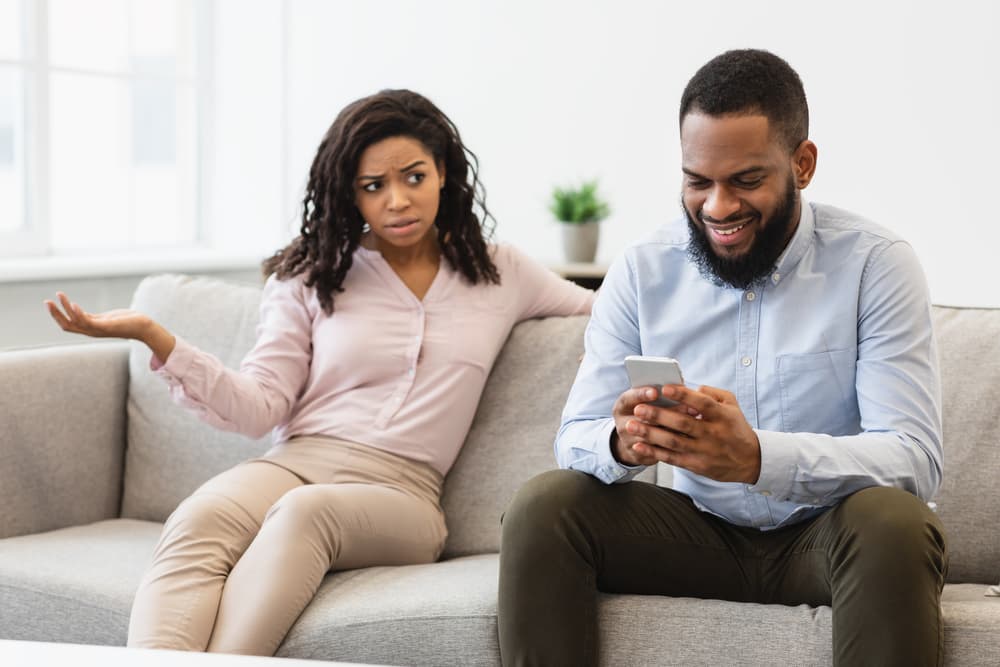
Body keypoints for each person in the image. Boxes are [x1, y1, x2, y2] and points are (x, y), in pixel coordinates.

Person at [45, 89, 595, 656]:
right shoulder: (310, 275)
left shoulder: (500, 270)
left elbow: (608, 311)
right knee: (200, 516)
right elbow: (259, 405)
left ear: (444, 172)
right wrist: (153, 335)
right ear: (348, 193)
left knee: (306, 513)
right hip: (296, 461)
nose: (397, 202)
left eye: (414, 177)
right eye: (373, 186)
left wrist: (606, 350)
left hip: (402, 493)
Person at [497, 49, 947, 667]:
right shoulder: (641, 269)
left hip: (826, 539)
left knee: (895, 519)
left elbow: (914, 459)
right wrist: (625, 442)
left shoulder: (875, 264)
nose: (717, 207)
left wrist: (758, 458)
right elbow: (574, 437)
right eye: (697, 181)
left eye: (745, 180)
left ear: (803, 164)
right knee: (543, 506)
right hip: (694, 536)